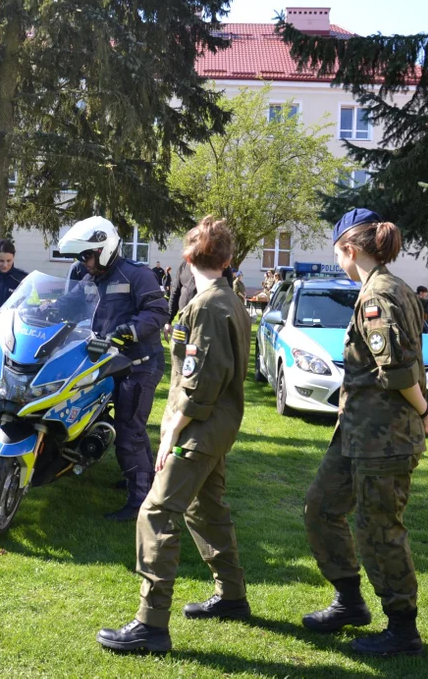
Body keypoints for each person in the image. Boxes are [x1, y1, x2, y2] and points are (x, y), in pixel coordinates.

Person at [97, 216, 252, 655]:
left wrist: (168, 438)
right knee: (207, 510)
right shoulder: (232, 299)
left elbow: (197, 382)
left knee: (156, 512)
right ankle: (232, 596)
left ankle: (151, 624)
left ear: (187, 258)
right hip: (219, 426)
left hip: (200, 428)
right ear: (226, 259)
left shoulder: (205, 307)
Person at [302, 209, 428, 657]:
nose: (337, 260)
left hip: (384, 438)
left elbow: (396, 368)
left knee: (380, 529)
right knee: (320, 508)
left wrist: (423, 407)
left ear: (349, 249)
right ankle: (350, 602)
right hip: (357, 432)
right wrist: (425, 402)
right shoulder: (393, 288)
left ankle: (402, 629)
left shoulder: (379, 294)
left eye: (337, 253)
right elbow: (411, 354)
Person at [57, 217, 169, 521]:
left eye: (87, 255)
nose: (84, 262)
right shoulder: (91, 277)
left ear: (104, 249)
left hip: (140, 364)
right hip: (108, 363)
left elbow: (158, 310)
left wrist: (129, 331)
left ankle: (139, 502)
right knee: (131, 426)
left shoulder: (136, 274)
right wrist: (43, 309)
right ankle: (145, 478)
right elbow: (70, 302)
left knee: (129, 431)